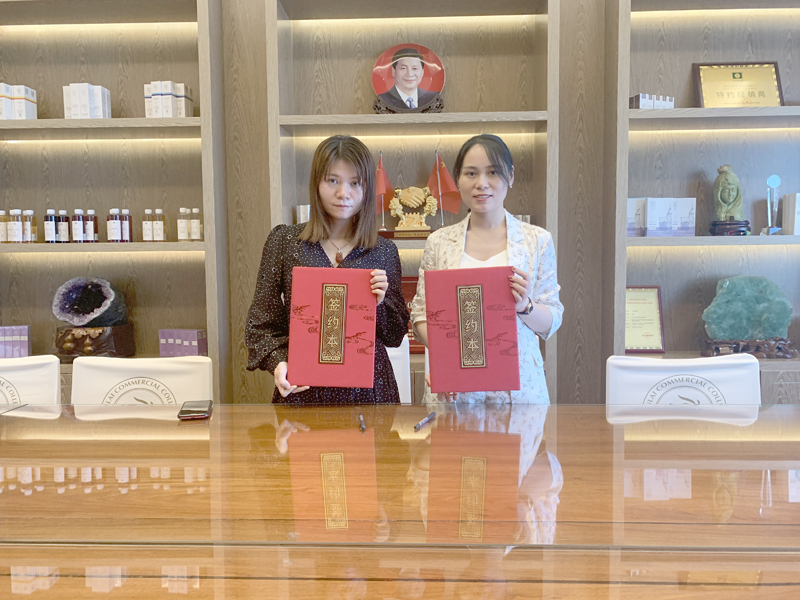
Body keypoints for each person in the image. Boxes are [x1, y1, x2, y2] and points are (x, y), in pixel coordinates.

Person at [246, 135, 409, 404]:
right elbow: (260, 326)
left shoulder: (383, 251)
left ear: (367, 188)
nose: (343, 193)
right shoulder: (285, 242)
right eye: (333, 181)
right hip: (303, 390)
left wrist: (379, 305)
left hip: (369, 394)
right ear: (316, 183)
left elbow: (394, 336)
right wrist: (279, 363)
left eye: (355, 183)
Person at [410, 134, 563, 404]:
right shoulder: (439, 242)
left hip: (519, 391)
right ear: (458, 179)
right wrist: (448, 356)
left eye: (492, 172)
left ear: (510, 176)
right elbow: (420, 315)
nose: (481, 183)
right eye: (471, 173)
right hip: (456, 390)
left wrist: (525, 306)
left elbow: (552, 321)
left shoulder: (536, 240)